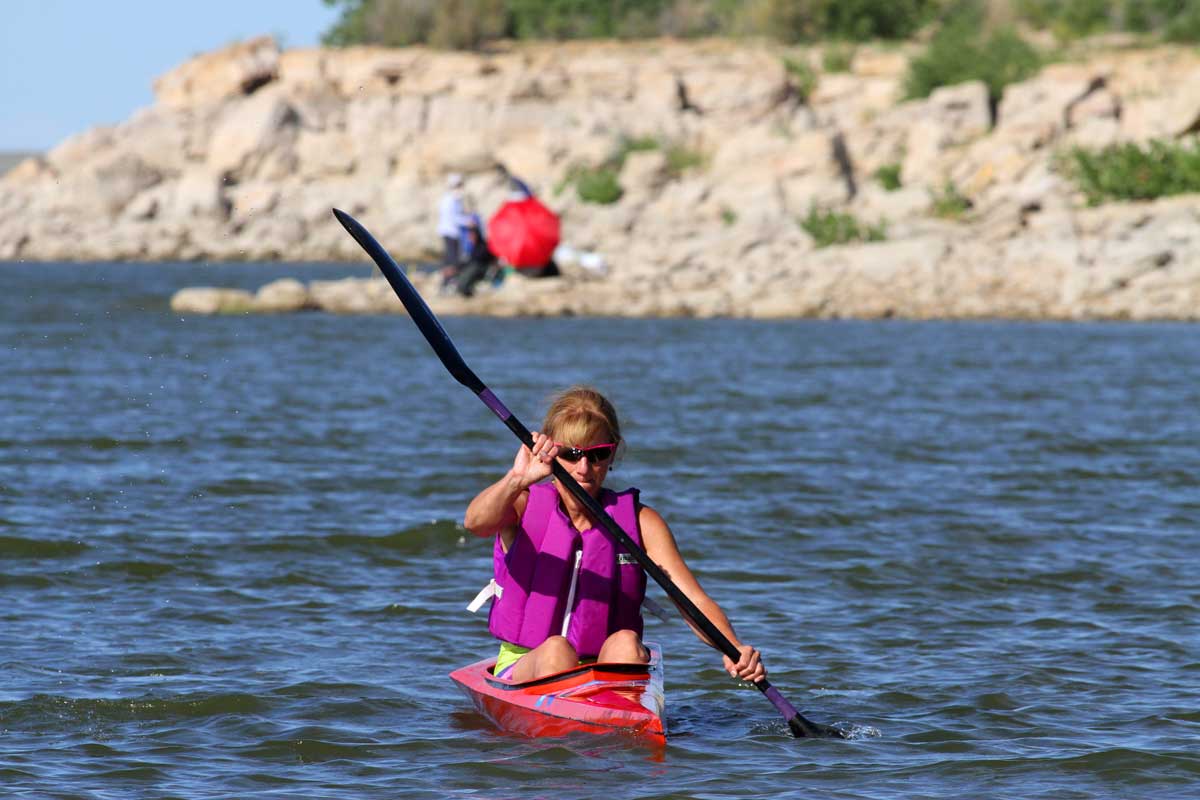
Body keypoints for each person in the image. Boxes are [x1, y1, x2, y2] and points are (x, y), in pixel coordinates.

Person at [463, 386, 766, 685]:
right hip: (526, 664)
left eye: (597, 455)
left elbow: (692, 600)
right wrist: (516, 480)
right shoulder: (522, 504)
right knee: (557, 650)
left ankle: (618, 719)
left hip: (604, 668)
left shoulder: (641, 522)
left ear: (613, 452)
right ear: (550, 453)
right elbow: (476, 523)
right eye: (571, 454)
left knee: (627, 643)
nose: (583, 468)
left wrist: (734, 648)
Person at [454, 215, 498, 297]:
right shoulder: (473, 247)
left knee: (470, 271)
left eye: (472, 235)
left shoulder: (483, 246)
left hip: (481, 268)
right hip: (474, 267)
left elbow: (483, 259)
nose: (470, 237)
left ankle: (466, 291)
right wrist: (456, 268)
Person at [437, 173, 465, 286]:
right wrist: (467, 221)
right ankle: (448, 280)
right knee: (452, 258)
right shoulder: (449, 200)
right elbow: (453, 217)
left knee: (451, 257)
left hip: (452, 232)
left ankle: (448, 280)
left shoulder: (453, 199)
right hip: (450, 232)